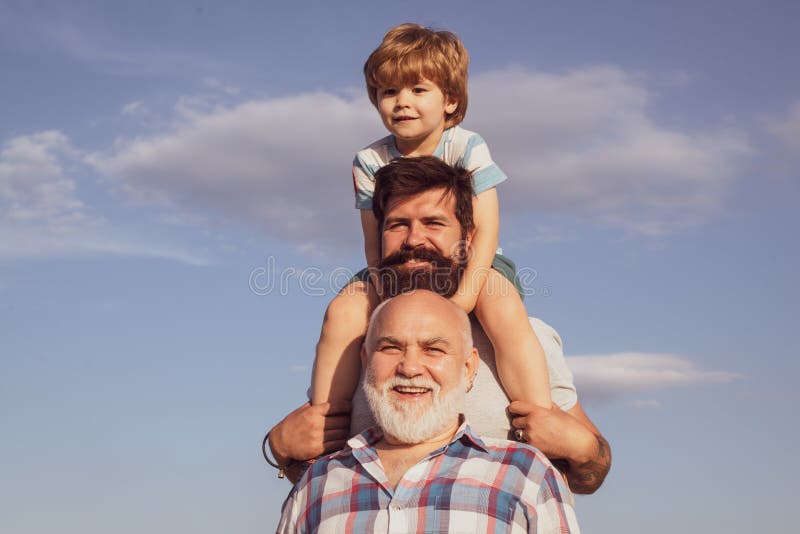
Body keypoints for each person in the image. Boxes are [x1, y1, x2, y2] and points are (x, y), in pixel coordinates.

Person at [268, 157, 611, 494]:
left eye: (434, 223)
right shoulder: (356, 339)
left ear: (469, 238)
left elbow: (591, 475)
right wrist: (281, 450)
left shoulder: (523, 336)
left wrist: (582, 449)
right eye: (397, 224)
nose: (414, 239)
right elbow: (321, 472)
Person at [311, 23, 552, 417]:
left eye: (418, 90)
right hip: (396, 264)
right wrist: (381, 286)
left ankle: (540, 414)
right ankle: (323, 420)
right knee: (343, 310)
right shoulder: (369, 160)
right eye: (389, 92)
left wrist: (465, 296)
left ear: (451, 101)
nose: (402, 102)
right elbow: (375, 237)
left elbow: (486, 228)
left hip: (471, 258)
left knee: (500, 302)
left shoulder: (467, 146)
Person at [277, 290, 580, 533]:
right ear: (366, 359)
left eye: (433, 349)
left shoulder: (527, 475)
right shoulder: (318, 481)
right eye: (391, 347)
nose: (409, 367)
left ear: (468, 367)